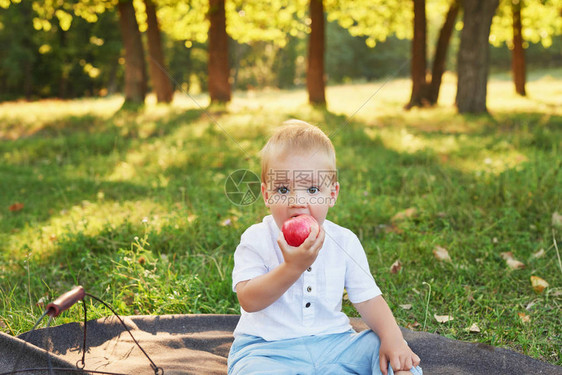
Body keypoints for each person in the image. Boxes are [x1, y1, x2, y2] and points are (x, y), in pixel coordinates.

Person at [228, 120, 422, 375]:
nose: (297, 201)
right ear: (266, 195)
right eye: (283, 189)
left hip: (335, 344)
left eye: (311, 189)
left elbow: (368, 298)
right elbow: (249, 299)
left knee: (382, 349)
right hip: (267, 350)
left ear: (332, 194)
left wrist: (393, 337)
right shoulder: (256, 238)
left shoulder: (344, 241)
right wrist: (292, 268)